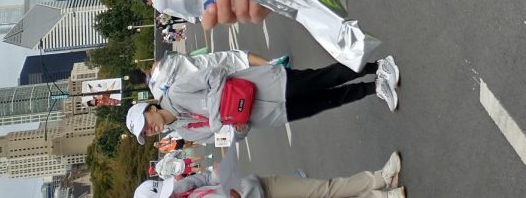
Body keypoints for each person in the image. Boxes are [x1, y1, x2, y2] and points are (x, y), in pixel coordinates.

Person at [125, 50, 401, 146]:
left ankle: (377, 66)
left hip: (267, 86)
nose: (150, 130)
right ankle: (373, 89)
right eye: (146, 133)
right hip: (268, 115)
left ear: (150, 108)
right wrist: (239, 131)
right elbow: (223, 138)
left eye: (146, 123)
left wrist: (215, 115)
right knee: (328, 101)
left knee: (324, 78)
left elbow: (216, 75)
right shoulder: (185, 132)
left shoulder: (176, 92)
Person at [133, 148, 405, 198]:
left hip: (260, 186)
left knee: (323, 189)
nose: (173, 195)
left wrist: (218, 173)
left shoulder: (180, 190)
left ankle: (380, 178)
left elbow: (204, 179)